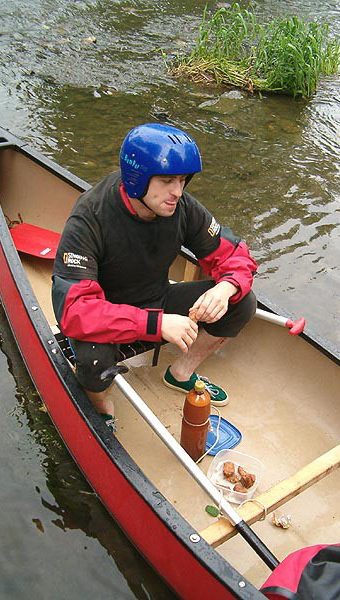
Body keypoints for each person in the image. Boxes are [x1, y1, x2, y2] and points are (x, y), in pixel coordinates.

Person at [52, 123, 257, 431]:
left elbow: (235, 254)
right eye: (167, 180)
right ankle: (101, 410)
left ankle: (181, 373)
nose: (178, 191)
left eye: (183, 180)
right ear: (137, 178)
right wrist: (156, 323)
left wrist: (226, 288)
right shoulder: (90, 217)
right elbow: (74, 310)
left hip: (156, 302)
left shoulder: (180, 206)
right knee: (94, 360)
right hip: (106, 319)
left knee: (243, 302)